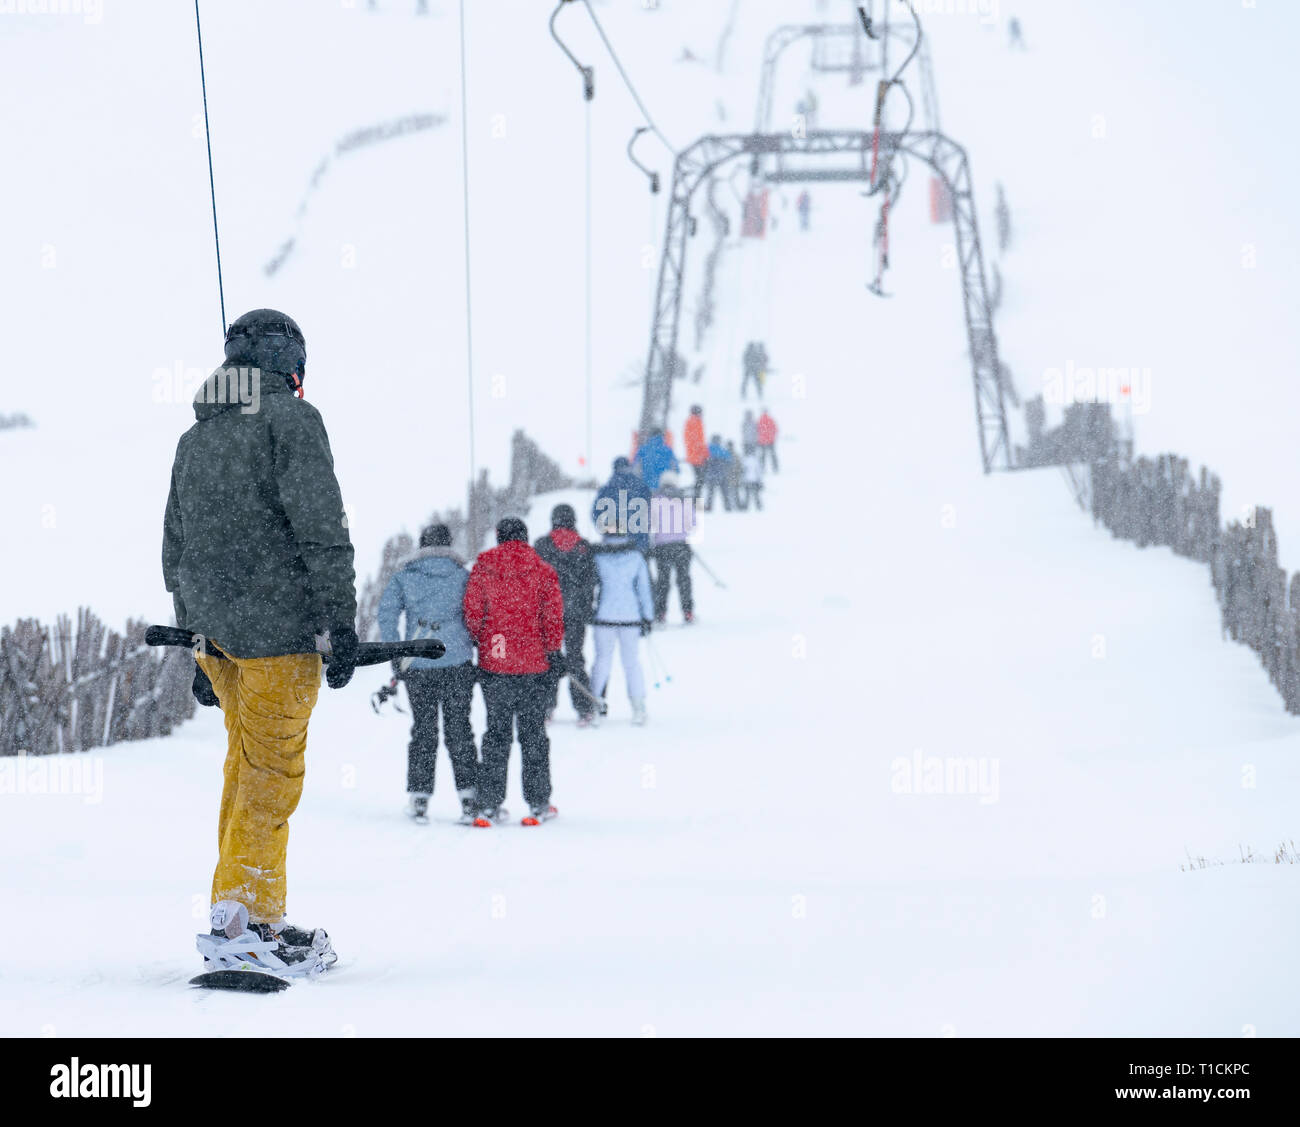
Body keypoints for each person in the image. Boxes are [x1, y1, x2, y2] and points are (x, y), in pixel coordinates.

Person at [164, 308, 355, 975]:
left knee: (245, 767)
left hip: (215, 641)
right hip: (278, 636)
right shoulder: (292, 421)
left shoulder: (195, 439)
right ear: (285, 362)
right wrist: (342, 617)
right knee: (272, 773)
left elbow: (176, 547)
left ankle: (247, 912)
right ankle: (241, 920)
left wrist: (195, 634)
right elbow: (321, 526)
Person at [463, 517, 565, 826]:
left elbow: (472, 614)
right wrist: (552, 648)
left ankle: (490, 804)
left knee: (496, 734)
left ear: (497, 537)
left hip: (496, 661)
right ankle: (538, 803)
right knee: (533, 734)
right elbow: (553, 617)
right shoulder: (543, 570)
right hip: (534, 664)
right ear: (526, 537)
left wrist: (483, 641)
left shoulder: (482, 569)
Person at [377, 523, 478, 825]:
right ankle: (469, 797)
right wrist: (472, 642)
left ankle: (419, 797)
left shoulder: (405, 576)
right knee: (460, 729)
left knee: (423, 730)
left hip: (418, 664)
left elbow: (386, 614)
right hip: (457, 662)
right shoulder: (463, 575)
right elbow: (475, 613)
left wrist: (396, 652)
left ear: (422, 545)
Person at [533, 504, 597, 726]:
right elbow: (591, 581)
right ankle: (584, 707)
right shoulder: (584, 547)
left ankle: (545, 707)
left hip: (548, 613)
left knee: (549, 657)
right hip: (576, 613)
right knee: (575, 658)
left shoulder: (541, 545)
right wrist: (587, 607)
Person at [590, 513, 655, 726]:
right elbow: (644, 589)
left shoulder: (597, 557)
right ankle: (638, 708)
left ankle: (595, 705)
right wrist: (648, 617)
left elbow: (592, 587)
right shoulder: (636, 557)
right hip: (631, 617)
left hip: (604, 617)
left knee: (602, 661)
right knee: (632, 663)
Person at [650, 471, 695, 624]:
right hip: (681, 546)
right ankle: (688, 612)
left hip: (662, 547)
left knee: (663, 581)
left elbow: (650, 523)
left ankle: (660, 613)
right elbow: (692, 524)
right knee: (684, 580)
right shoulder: (684, 500)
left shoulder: (655, 500)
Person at [592, 455, 653, 553]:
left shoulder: (606, 489)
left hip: (614, 544)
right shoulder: (641, 486)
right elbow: (651, 510)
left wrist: (607, 530)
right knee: (639, 567)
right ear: (629, 467)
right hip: (639, 541)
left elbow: (595, 514)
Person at [701, 434, 734, 512]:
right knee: (725, 492)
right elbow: (729, 461)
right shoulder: (723, 450)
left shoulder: (707, 449)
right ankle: (728, 507)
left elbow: (703, 462)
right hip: (722, 474)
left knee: (710, 493)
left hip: (711, 475)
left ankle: (708, 507)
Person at [683, 405, 709, 499]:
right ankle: (697, 504)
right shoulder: (696, 422)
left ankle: (696, 503)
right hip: (697, 457)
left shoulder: (690, 422)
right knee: (699, 481)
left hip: (693, 455)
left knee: (698, 481)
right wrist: (705, 454)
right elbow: (699, 441)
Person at [757, 408, 779, 473]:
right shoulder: (770, 420)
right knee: (772, 455)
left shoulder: (760, 420)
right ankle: (775, 467)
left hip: (762, 441)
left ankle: (762, 468)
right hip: (770, 440)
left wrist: (759, 439)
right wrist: (772, 437)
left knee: (763, 456)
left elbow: (757, 431)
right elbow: (775, 429)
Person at [741, 447, 764, 512]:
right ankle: (752, 506)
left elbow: (758, 471)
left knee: (752, 495)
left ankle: (754, 506)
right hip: (751, 480)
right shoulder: (747, 460)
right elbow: (759, 471)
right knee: (751, 495)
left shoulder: (747, 460)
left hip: (751, 480)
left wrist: (760, 480)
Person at [724, 440, 744, 511]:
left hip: (733, 477)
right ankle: (732, 506)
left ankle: (733, 506)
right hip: (731, 477)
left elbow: (739, 466)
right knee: (733, 492)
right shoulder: (731, 454)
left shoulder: (727, 454)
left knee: (734, 492)